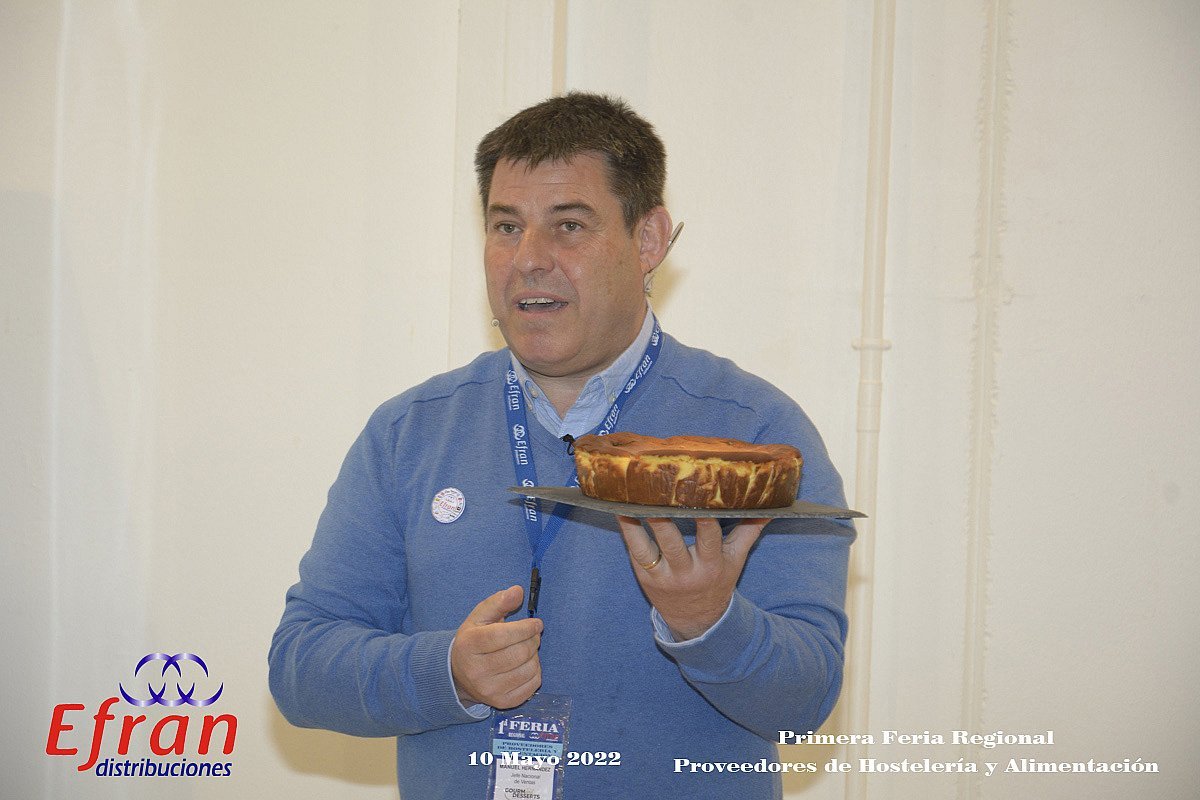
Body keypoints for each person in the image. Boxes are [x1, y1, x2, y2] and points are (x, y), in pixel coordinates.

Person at [269, 92, 854, 799]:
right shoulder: (409, 433)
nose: (529, 260)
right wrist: (447, 673)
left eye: (569, 226)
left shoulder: (756, 442)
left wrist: (709, 623)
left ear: (649, 240)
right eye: (506, 227)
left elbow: (804, 706)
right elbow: (301, 667)